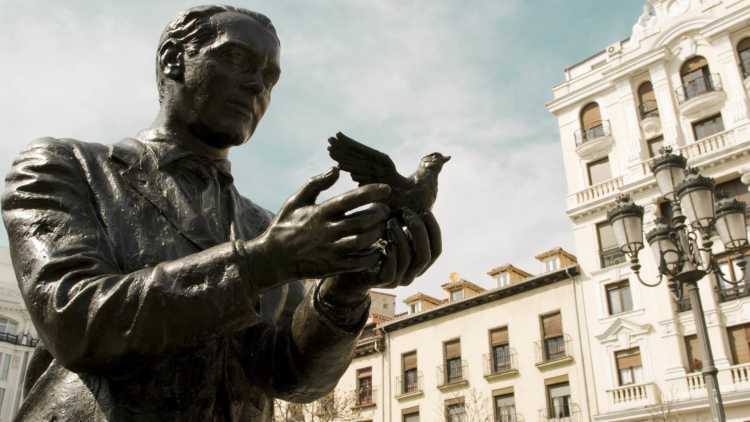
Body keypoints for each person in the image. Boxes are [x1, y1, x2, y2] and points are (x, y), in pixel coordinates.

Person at [2, 5, 441, 421]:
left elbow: (292, 378)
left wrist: (345, 289)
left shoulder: (264, 226)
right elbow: (75, 319)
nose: (258, 86)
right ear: (174, 60)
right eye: (237, 59)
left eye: (270, 78)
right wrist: (263, 262)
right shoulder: (67, 167)